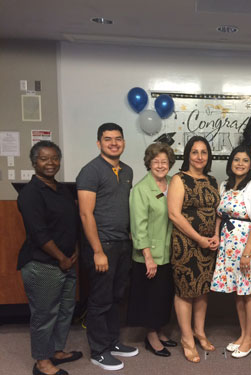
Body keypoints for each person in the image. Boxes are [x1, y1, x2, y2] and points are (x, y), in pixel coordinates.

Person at [17, 141, 82, 375]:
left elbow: (71, 223)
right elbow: (39, 232)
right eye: (44, 158)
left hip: (67, 262)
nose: (51, 163)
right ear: (34, 162)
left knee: (65, 310)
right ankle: (42, 362)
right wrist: (61, 258)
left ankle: (55, 351)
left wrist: (73, 252)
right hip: (42, 264)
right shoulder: (30, 194)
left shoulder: (61, 189)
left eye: (55, 158)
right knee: (44, 315)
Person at [76, 123, 137, 371]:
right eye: (108, 139)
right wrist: (98, 251)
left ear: (123, 142)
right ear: (99, 142)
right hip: (102, 246)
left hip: (123, 244)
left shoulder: (127, 170)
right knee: (100, 300)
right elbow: (85, 214)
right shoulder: (90, 171)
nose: (114, 143)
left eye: (118, 139)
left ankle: (112, 342)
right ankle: (99, 351)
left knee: (116, 297)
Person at [167, 136, 219, 363]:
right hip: (186, 244)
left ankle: (199, 331)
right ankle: (187, 338)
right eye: (195, 152)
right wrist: (198, 238)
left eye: (204, 152)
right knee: (186, 290)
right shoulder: (179, 179)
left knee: (203, 288)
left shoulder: (212, 180)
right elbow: (174, 214)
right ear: (188, 154)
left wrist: (215, 235)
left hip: (208, 245)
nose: (199, 156)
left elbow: (219, 211)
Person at [211, 145, 251, 358]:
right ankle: (243, 335)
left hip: (245, 246)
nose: (240, 163)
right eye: (236, 160)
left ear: (250, 165)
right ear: (230, 163)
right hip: (227, 245)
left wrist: (247, 253)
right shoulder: (224, 185)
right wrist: (216, 235)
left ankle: (250, 338)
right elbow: (219, 214)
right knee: (238, 292)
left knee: (249, 292)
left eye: (245, 160)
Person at [127, 143, 177, 357]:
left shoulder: (172, 185)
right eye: (155, 161)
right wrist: (148, 257)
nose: (160, 165)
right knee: (150, 297)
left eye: (164, 162)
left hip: (169, 252)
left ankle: (160, 329)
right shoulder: (140, 189)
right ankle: (151, 336)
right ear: (148, 163)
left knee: (164, 295)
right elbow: (138, 226)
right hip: (149, 254)